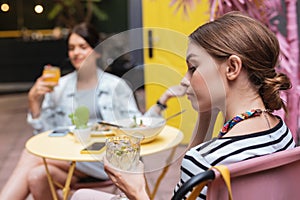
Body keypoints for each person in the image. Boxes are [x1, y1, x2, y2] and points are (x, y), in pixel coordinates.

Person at [70, 11, 296, 200]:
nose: (184, 79)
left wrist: (137, 190)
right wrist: (205, 113)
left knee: (79, 197)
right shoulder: (281, 133)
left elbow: (192, 168)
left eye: (193, 67)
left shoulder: (206, 162)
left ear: (232, 68)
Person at [0, 22, 186, 200]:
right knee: (37, 177)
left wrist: (162, 102)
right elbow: (46, 137)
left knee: (31, 156)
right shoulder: (59, 87)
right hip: (70, 158)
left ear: (96, 51)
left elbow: (138, 126)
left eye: (82, 46)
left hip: (102, 159)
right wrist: (34, 102)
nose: (76, 53)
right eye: (72, 48)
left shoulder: (115, 86)